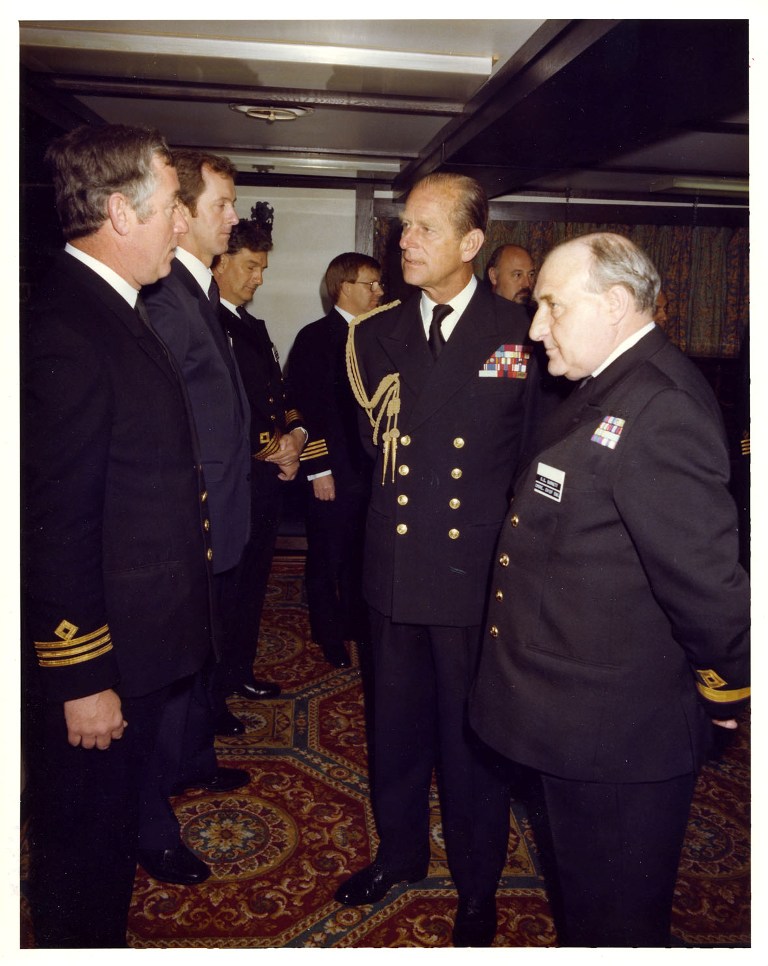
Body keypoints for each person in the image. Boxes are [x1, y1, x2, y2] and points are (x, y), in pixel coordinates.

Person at [470, 233, 750, 947]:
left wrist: (726, 686)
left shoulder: (661, 406)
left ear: (617, 306)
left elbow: (711, 590)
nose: (534, 329)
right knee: (588, 909)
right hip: (577, 721)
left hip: (621, 734)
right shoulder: (605, 384)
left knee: (617, 926)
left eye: (552, 308)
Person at [337, 173, 542, 947]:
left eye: (425, 228)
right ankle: (398, 855)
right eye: (403, 228)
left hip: (471, 578)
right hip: (393, 573)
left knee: (470, 744)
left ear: (470, 243)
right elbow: (374, 450)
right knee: (393, 728)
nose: (406, 241)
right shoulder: (376, 332)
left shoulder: (521, 333)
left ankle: (478, 885)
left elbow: (529, 457)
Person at [21, 123, 213, 946]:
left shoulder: (113, 306)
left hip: (134, 645)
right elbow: (51, 524)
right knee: (82, 851)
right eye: (173, 206)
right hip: (98, 661)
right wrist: (82, 676)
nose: (182, 223)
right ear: (119, 212)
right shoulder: (67, 328)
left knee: (106, 840)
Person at [139, 151, 252, 884]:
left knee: (199, 662)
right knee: (165, 678)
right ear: (180, 214)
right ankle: (150, 823)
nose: (234, 217)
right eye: (222, 204)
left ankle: (191, 760)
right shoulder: (159, 298)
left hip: (223, 517)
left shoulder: (198, 290)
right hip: (190, 525)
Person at [211, 218, 307, 692]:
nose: (259, 279)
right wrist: (274, 450)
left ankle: (239, 671)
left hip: (266, 481)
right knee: (224, 591)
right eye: (251, 266)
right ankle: (216, 687)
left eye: (263, 268)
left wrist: (295, 437)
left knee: (253, 584)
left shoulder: (251, 325)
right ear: (219, 262)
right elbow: (222, 412)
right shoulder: (209, 324)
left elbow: (279, 394)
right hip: (238, 478)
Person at [287, 253, 381, 668]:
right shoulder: (315, 337)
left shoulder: (378, 335)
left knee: (362, 555)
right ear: (345, 287)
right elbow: (304, 408)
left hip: (369, 472)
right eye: (371, 284)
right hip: (332, 473)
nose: (380, 292)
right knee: (327, 557)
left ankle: (355, 629)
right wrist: (319, 470)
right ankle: (329, 636)